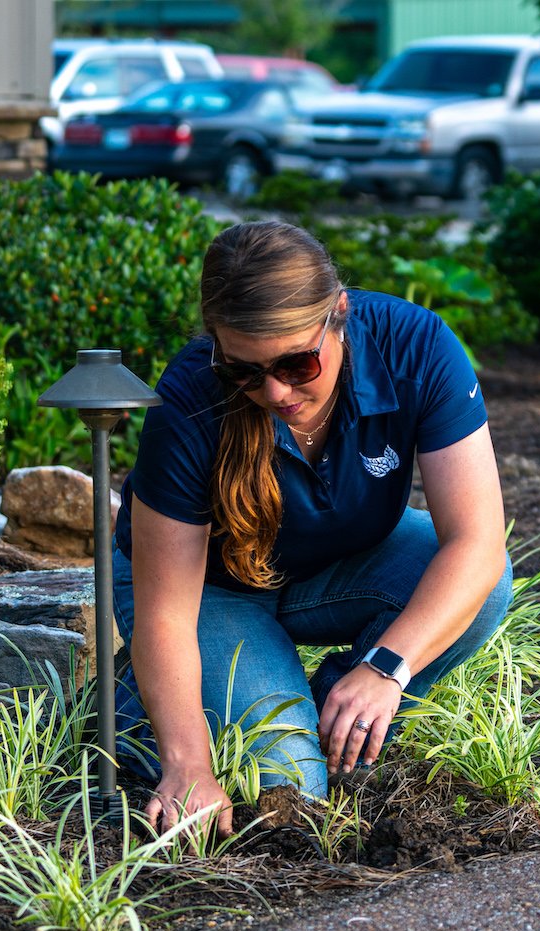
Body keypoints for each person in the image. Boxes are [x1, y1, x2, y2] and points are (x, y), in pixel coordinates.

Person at [110, 220, 513, 834]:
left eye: (297, 362)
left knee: (487, 585)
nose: (273, 391)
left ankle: (309, 707)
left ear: (339, 314)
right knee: (293, 792)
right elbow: (167, 613)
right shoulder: (192, 394)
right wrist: (188, 765)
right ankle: (138, 708)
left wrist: (384, 669)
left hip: (332, 566)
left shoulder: (415, 346)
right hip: (209, 595)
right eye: (242, 372)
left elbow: (478, 545)